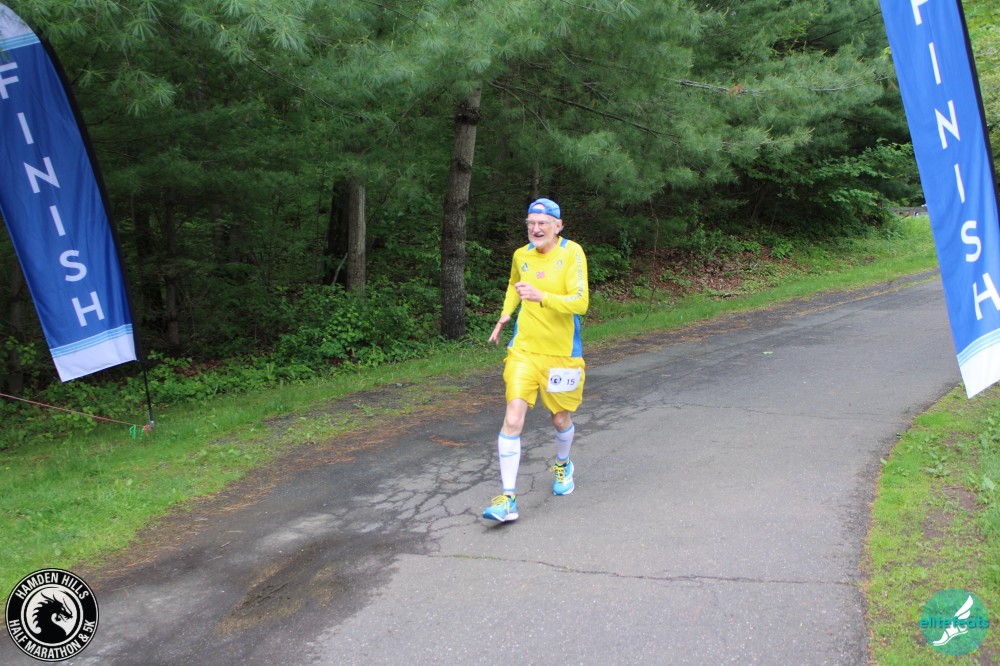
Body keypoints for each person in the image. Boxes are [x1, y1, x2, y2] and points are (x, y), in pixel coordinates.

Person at [482, 197, 589, 522]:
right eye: (531, 223)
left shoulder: (572, 253)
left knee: (559, 419)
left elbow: (581, 303)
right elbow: (514, 286)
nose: (536, 228)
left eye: (542, 223)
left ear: (558, 226)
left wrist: (542, 297)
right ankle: (508, 499)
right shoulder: (521, 255)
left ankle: (563, 465)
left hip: (561, 354)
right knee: (513, 415)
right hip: (524, 350)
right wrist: (505, 314)